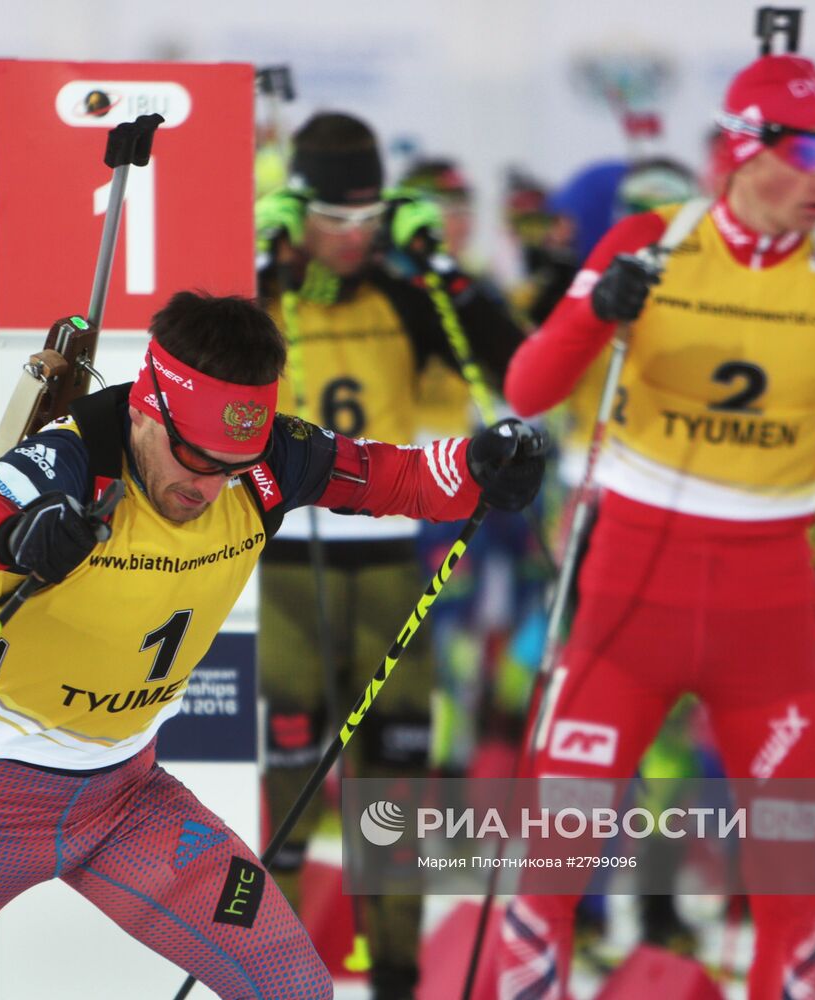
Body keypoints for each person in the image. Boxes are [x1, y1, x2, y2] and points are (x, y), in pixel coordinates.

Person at [477, 52, 815, 1000]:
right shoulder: (649, 242)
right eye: (807, 150)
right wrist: (596, 316)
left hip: (766, 623)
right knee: (550, 871)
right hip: (627, 605)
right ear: (743, 149)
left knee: (790, 897)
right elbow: (526, 390)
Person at [0, 290, 546, 999]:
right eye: (194, 458)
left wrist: (486, 462)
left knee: (298, 990)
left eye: (232, 467)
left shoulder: (269, 460)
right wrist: (7, 537)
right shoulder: (66, 463)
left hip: (126, 801)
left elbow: (401, 479)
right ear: (149, 404)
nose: (210, 487)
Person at [254, 111, 528, 995]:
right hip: (284, 568)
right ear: (297, 213)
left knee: (396, 787)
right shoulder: (266, 292)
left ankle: (400, 975)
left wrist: (441, 264)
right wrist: (255, 257)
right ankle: (271, 970)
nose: (353, 240)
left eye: (368, 220)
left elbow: (514, 363)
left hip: (388, 565)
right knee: (287, 783)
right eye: (334, 221)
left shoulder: (405, 292)